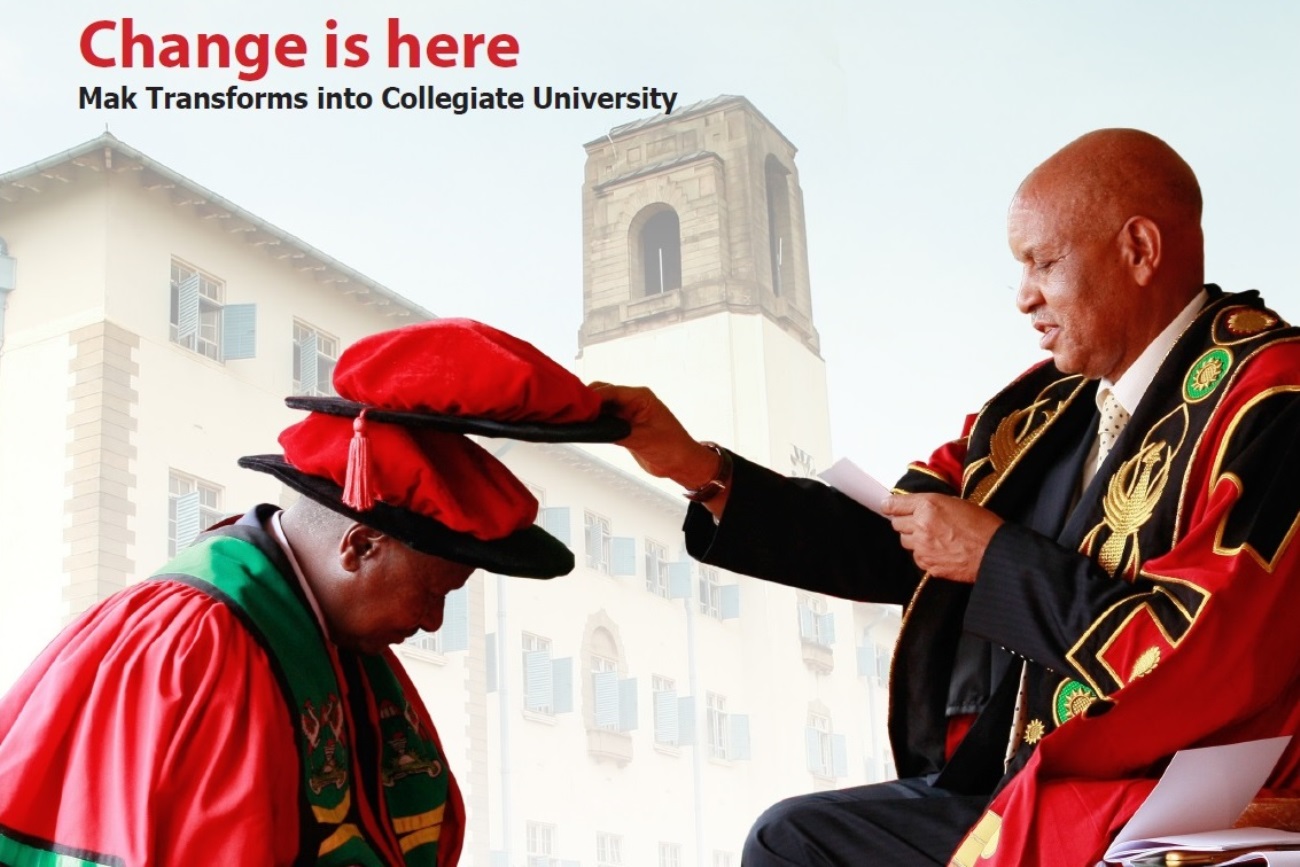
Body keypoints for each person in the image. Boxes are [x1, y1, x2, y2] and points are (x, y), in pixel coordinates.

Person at [596, 128, 1300, 865]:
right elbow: (900, 540)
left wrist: (993, 555)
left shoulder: (1269, 395)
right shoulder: (1040, 408)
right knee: (792, 835)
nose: (1025, 296)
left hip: (1149, 792)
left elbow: (1205, 651)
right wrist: (697, 468)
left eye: (1044, 262)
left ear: (1139, 249)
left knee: (792, 844)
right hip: (1012, 779)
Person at [0, 319, 627, 866]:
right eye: (434, 591)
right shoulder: (198, 644)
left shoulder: (337, 638)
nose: (434, 623)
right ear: (359, 546)